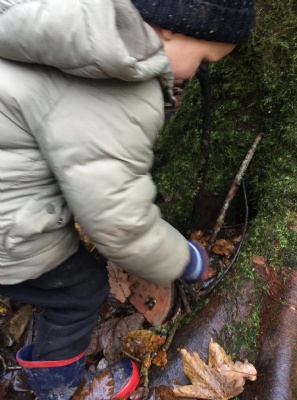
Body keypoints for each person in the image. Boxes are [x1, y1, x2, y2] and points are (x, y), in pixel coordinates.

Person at [0, 0, 255, 398]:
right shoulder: (118, 86)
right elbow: (119, 221)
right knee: (79, 292)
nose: (198, 72)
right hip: (8, 226)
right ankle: (58, 387)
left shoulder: (63, 23)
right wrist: (185, 259)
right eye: (204, 58)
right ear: (172, 29)